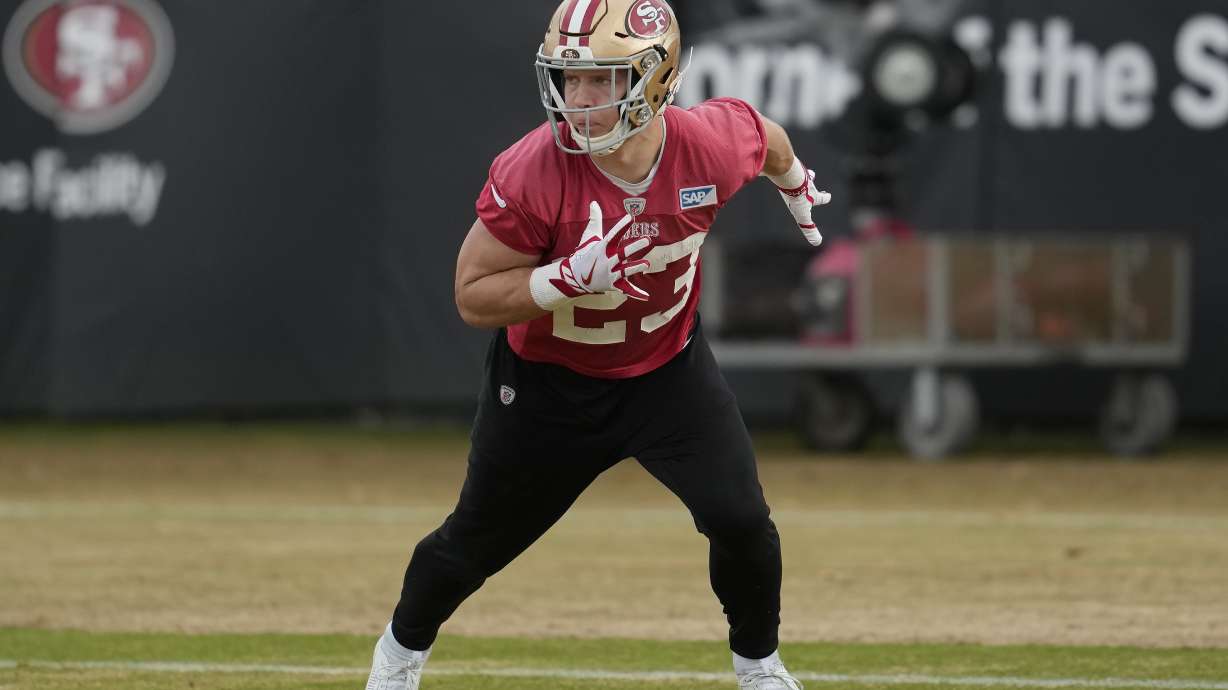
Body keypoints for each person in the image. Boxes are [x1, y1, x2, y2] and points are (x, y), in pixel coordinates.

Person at [365, 1, 829, 688]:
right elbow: (471, 295)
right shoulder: (532, 169)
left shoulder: (709, 142)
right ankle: (397, 658)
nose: (577, 99)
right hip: (551, 384)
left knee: (741, 521)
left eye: (602, 80)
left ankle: (759, 667)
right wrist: (559, 281)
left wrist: (795, 187)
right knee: (472, 544)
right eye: (568, 79)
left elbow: (768, 139)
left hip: (666, 371)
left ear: (657, 76)